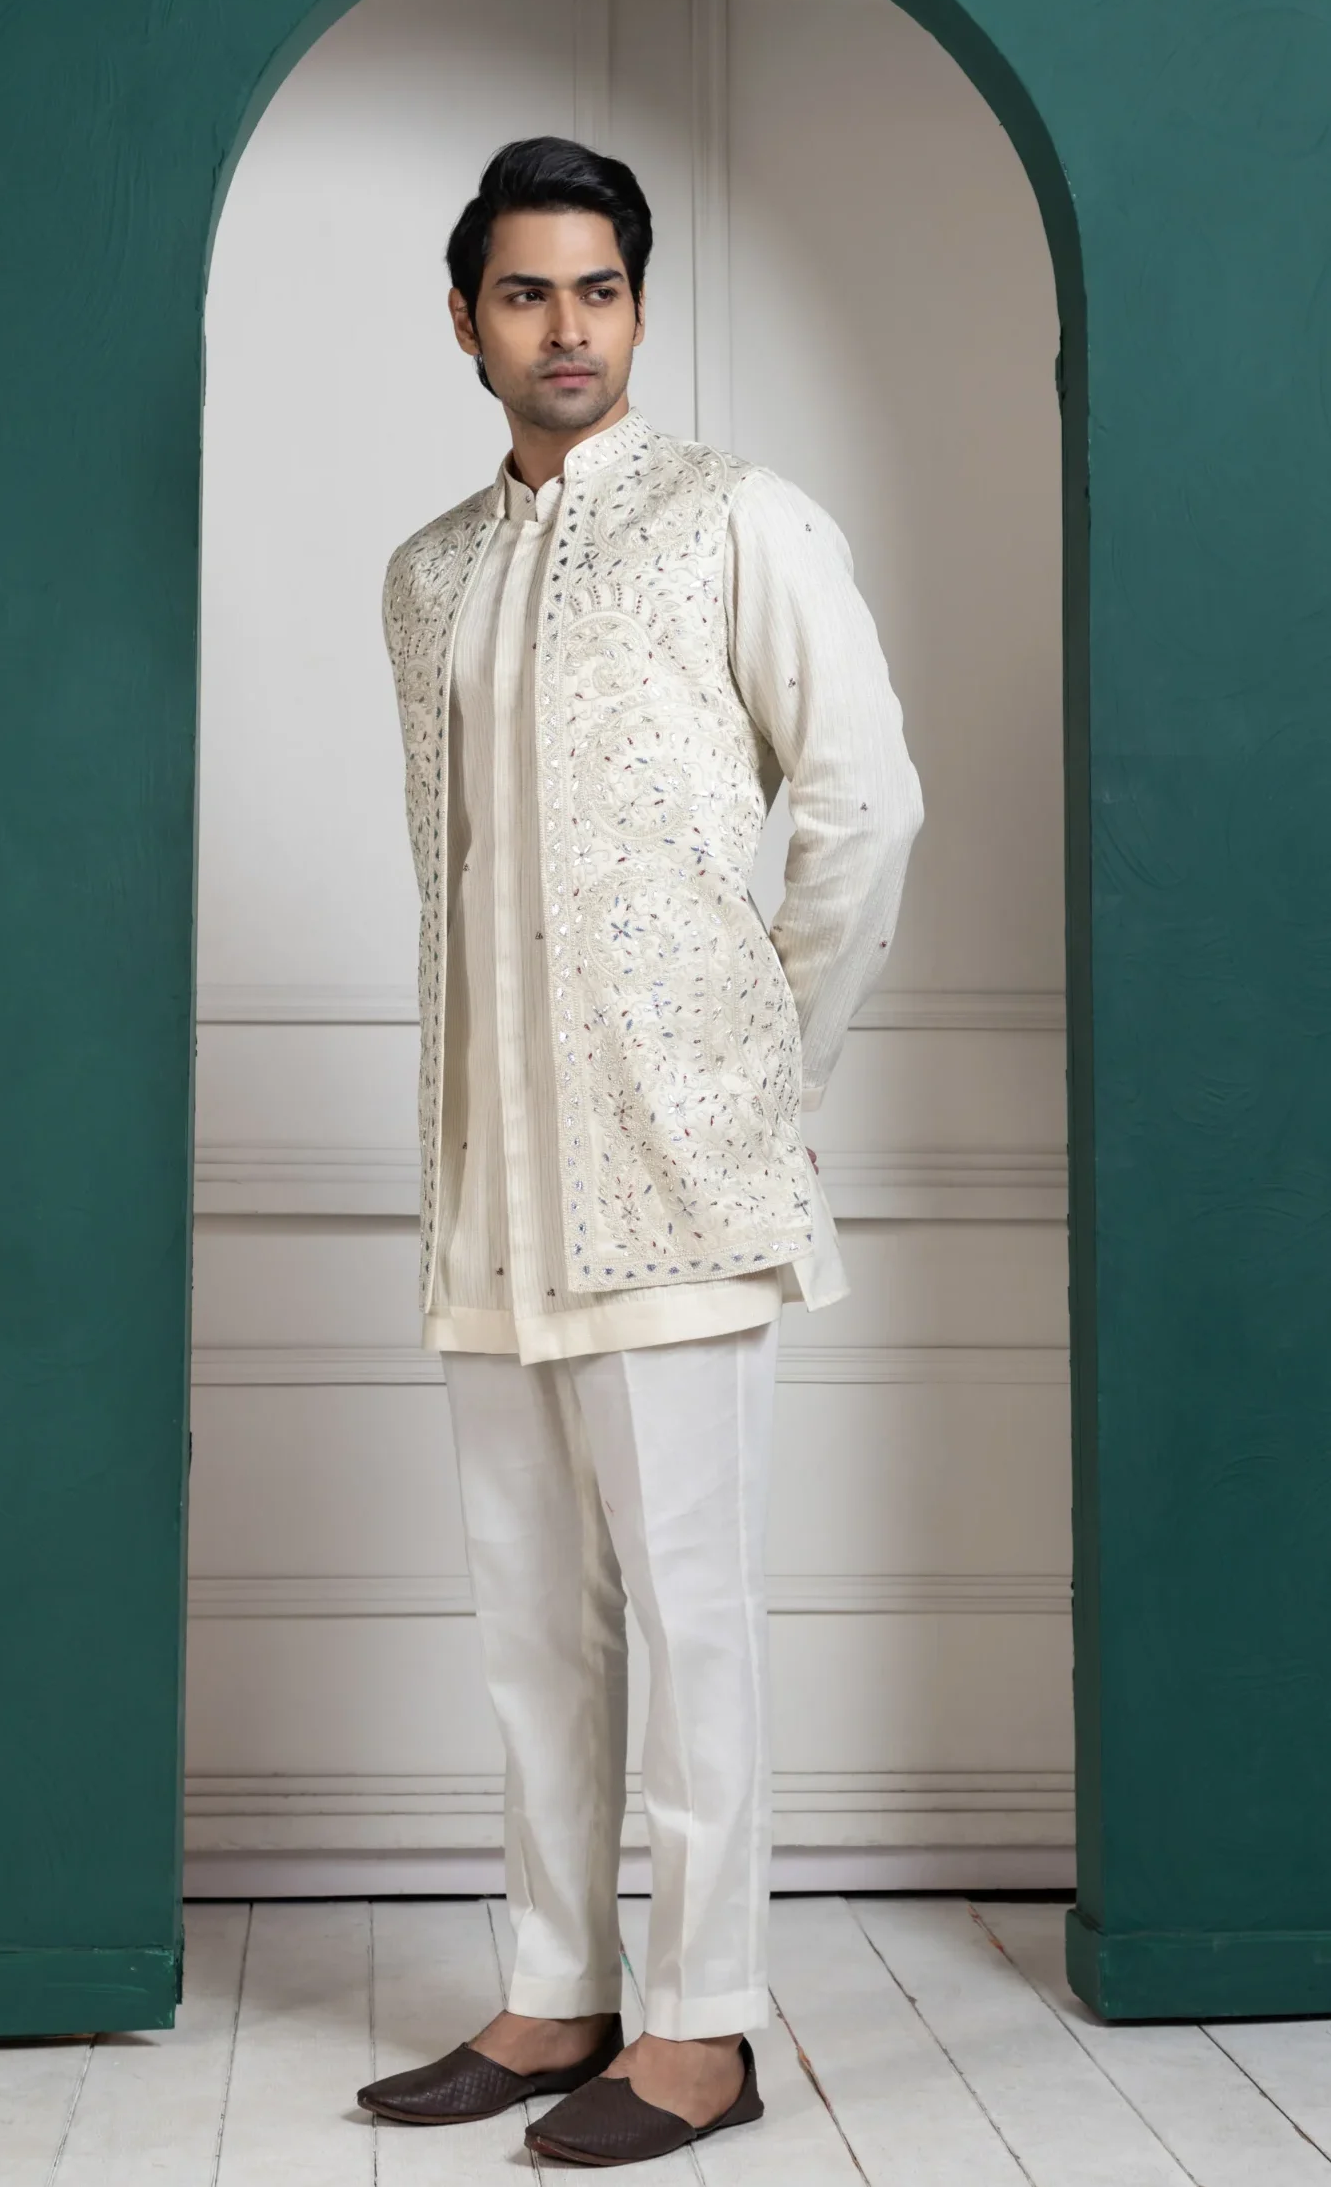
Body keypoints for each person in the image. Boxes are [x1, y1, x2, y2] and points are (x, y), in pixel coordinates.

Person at [357, 135, 923, 2167]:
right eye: (526, 293)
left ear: (640, 309)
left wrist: (766, 1067)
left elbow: (867, 811)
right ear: (467, 319)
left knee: (694, 1618)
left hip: (680, 1173)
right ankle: (553, 1990)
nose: (566, 327)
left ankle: (701, 2026)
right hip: (488, 1180)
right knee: (531, 1621)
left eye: (597, 289)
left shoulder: (736, 522)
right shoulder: (427, 574)